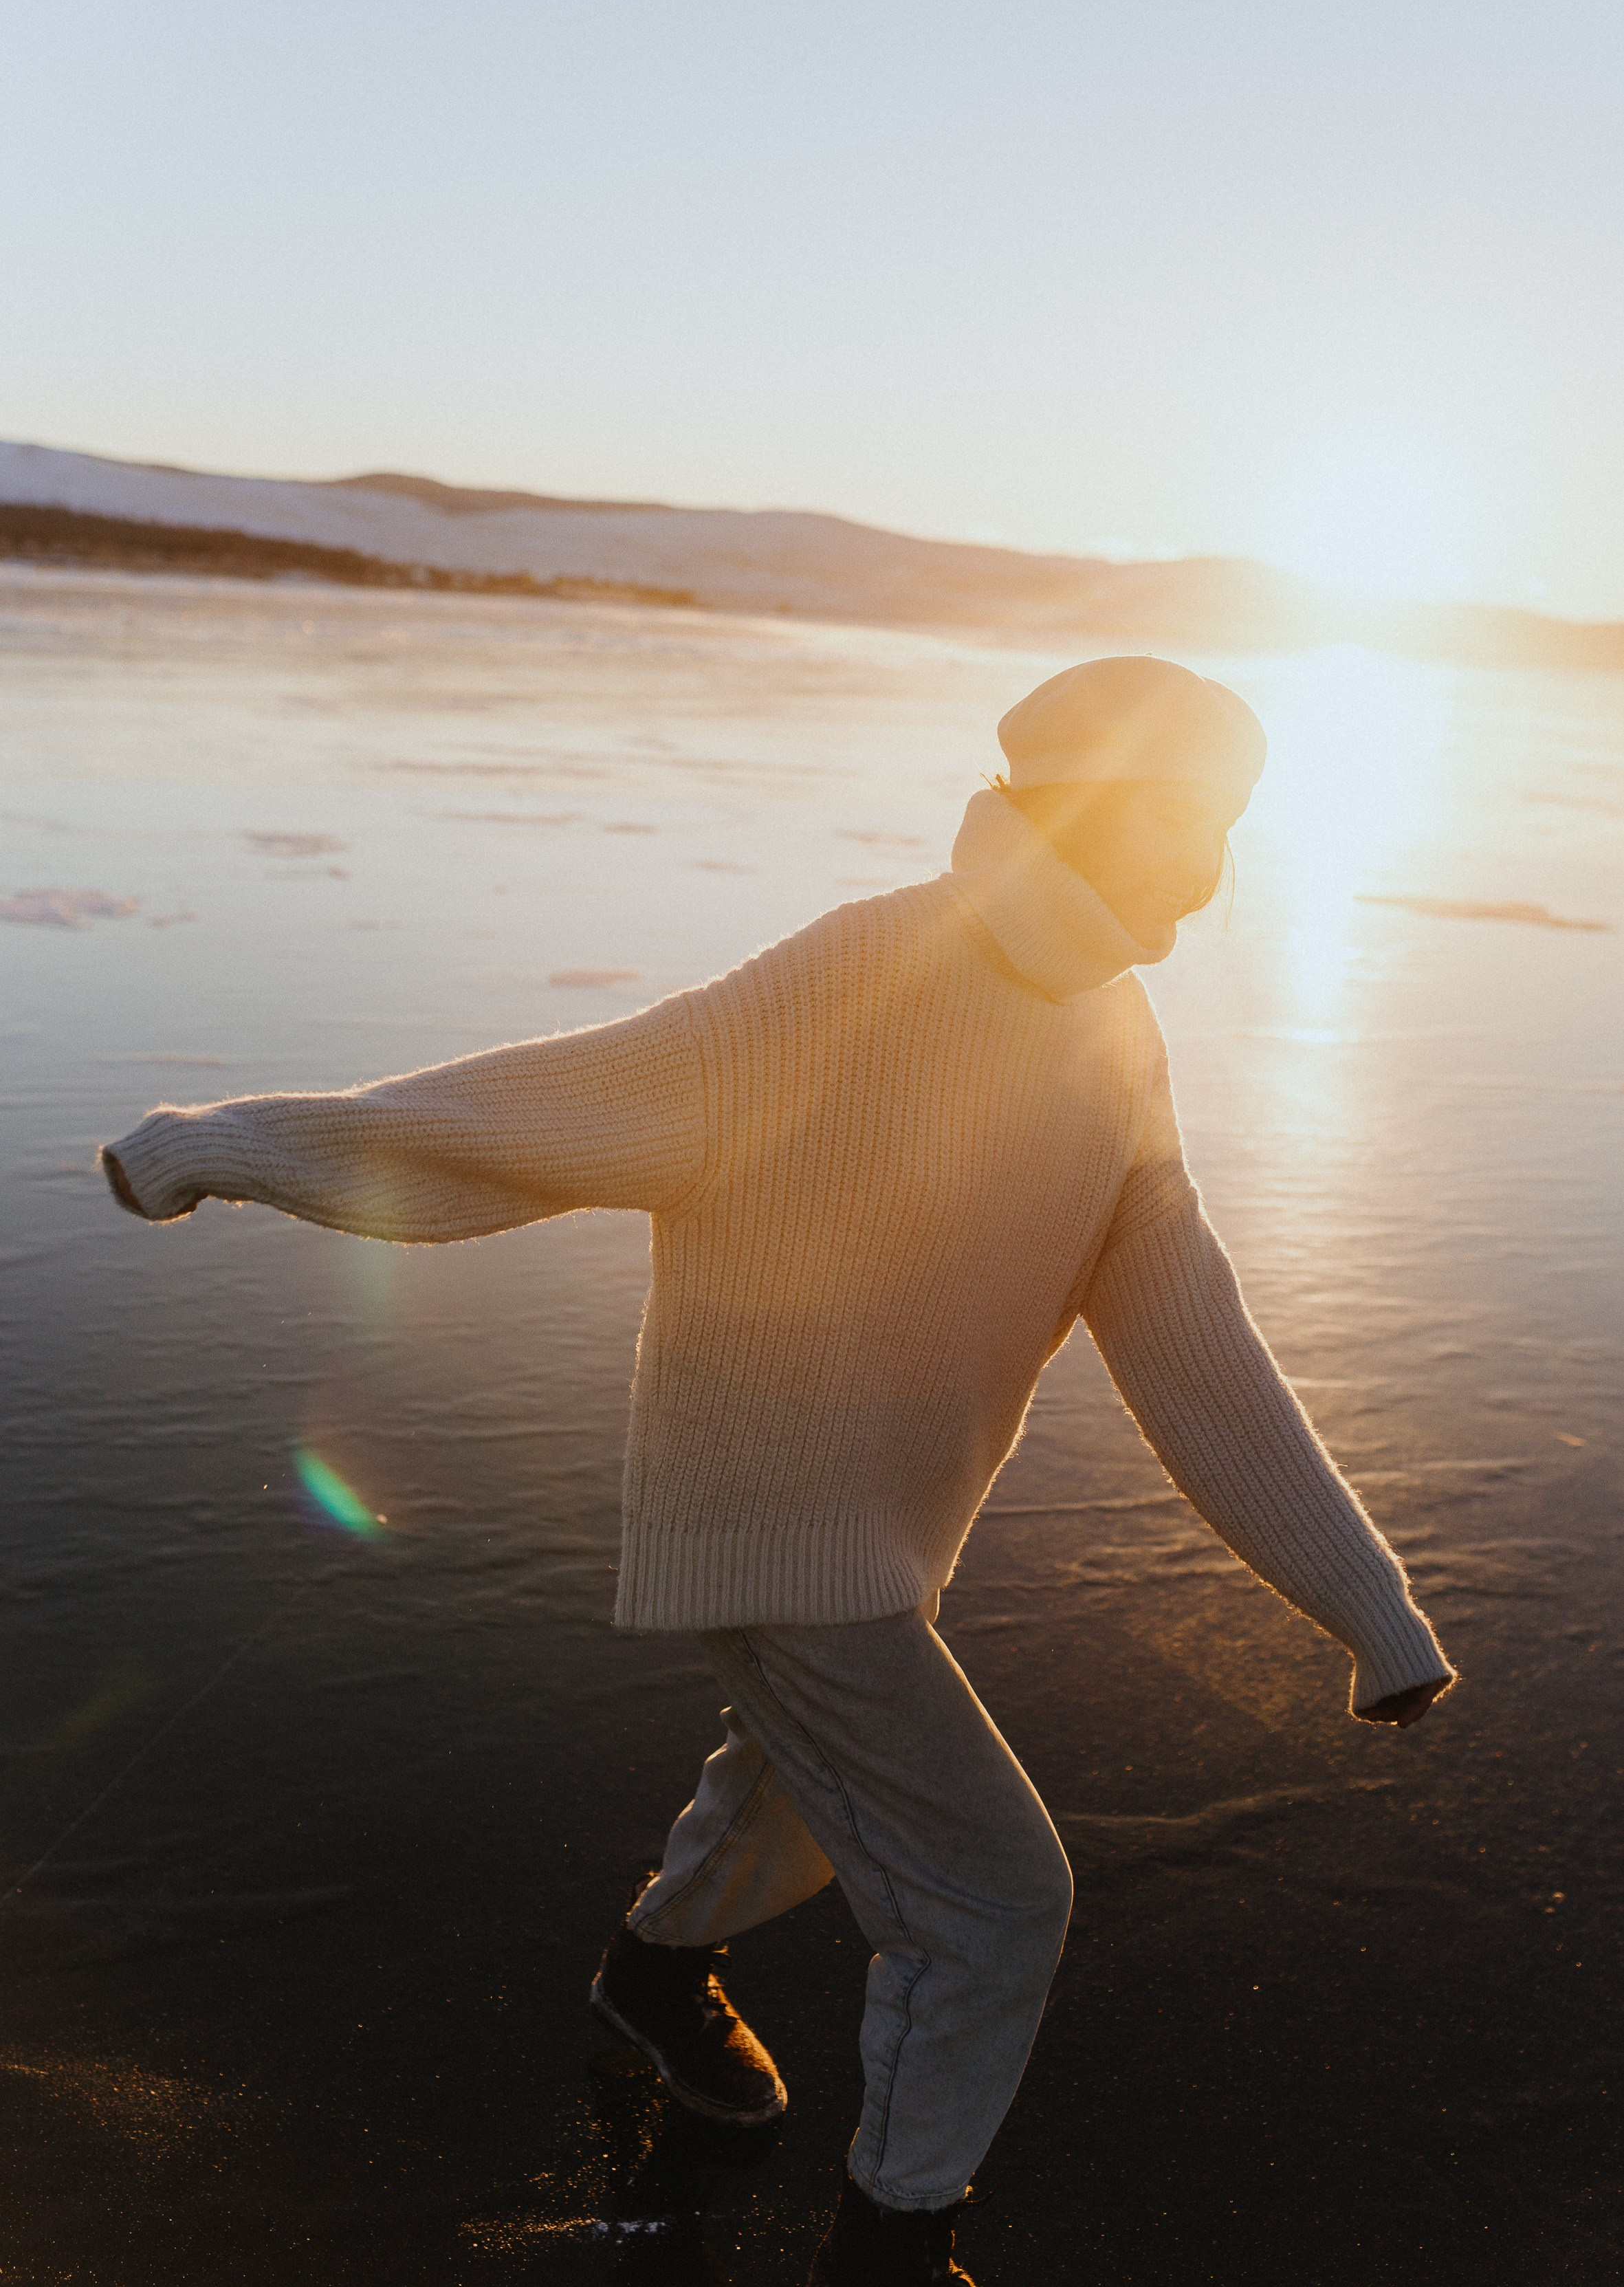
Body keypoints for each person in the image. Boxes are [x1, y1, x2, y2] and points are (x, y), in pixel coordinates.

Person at [102, 655, 1454, 2287]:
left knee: (806, 1796)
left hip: (887, 1534)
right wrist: (234, 1144)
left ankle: (654, 1974)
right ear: (1077, 807)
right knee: (994, 1898)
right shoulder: (862, 977)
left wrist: (1360, 1599)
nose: (1206, 865)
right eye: (1181, 819)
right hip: (763, 1521)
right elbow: (552, 1108)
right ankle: (890, 2241)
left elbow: (1190, 1336)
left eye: (1226, 826)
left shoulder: (1112, 1033)